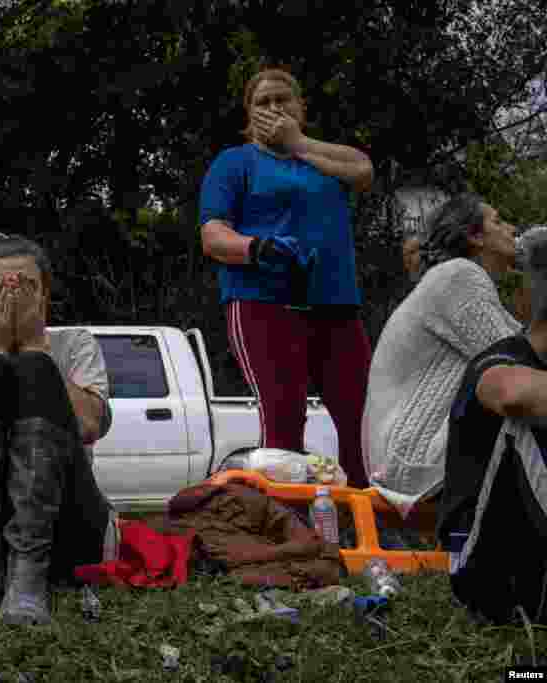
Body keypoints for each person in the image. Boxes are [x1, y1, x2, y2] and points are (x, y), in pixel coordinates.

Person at [199, 67, 375, 488]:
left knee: (364, 417)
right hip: (264, 302)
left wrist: (297, 143)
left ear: (301, 108)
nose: (276, 108)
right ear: (248, 115)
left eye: (285, 100)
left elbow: (364, 170)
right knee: (284, 417)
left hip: (334, 304)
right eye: (264, 102)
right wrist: (257, 248)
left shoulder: (321, 161)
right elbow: (212, 235)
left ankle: (373, 521)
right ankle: (289, 531)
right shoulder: (235, 162)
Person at [0, 234, 119, 625]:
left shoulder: (76, 344)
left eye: (26, 286)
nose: (11, 296)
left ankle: (28, 574)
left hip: (66, 524)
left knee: (36, 368)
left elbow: (89, 425)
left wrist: (36, 348)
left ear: (44, 296)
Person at [363, 195, 522, 516]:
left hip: (411, 456)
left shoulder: (464, 284)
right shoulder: (458, 276)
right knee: (523, 398)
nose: (512, 229)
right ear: (475, 237)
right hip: (414, 455)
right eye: (498, 221)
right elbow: (518, 363)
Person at [437, 225, 547, 625]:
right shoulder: (498, 361)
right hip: (485, 573)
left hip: (533, 565)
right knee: (520, 423)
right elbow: (511, 394)